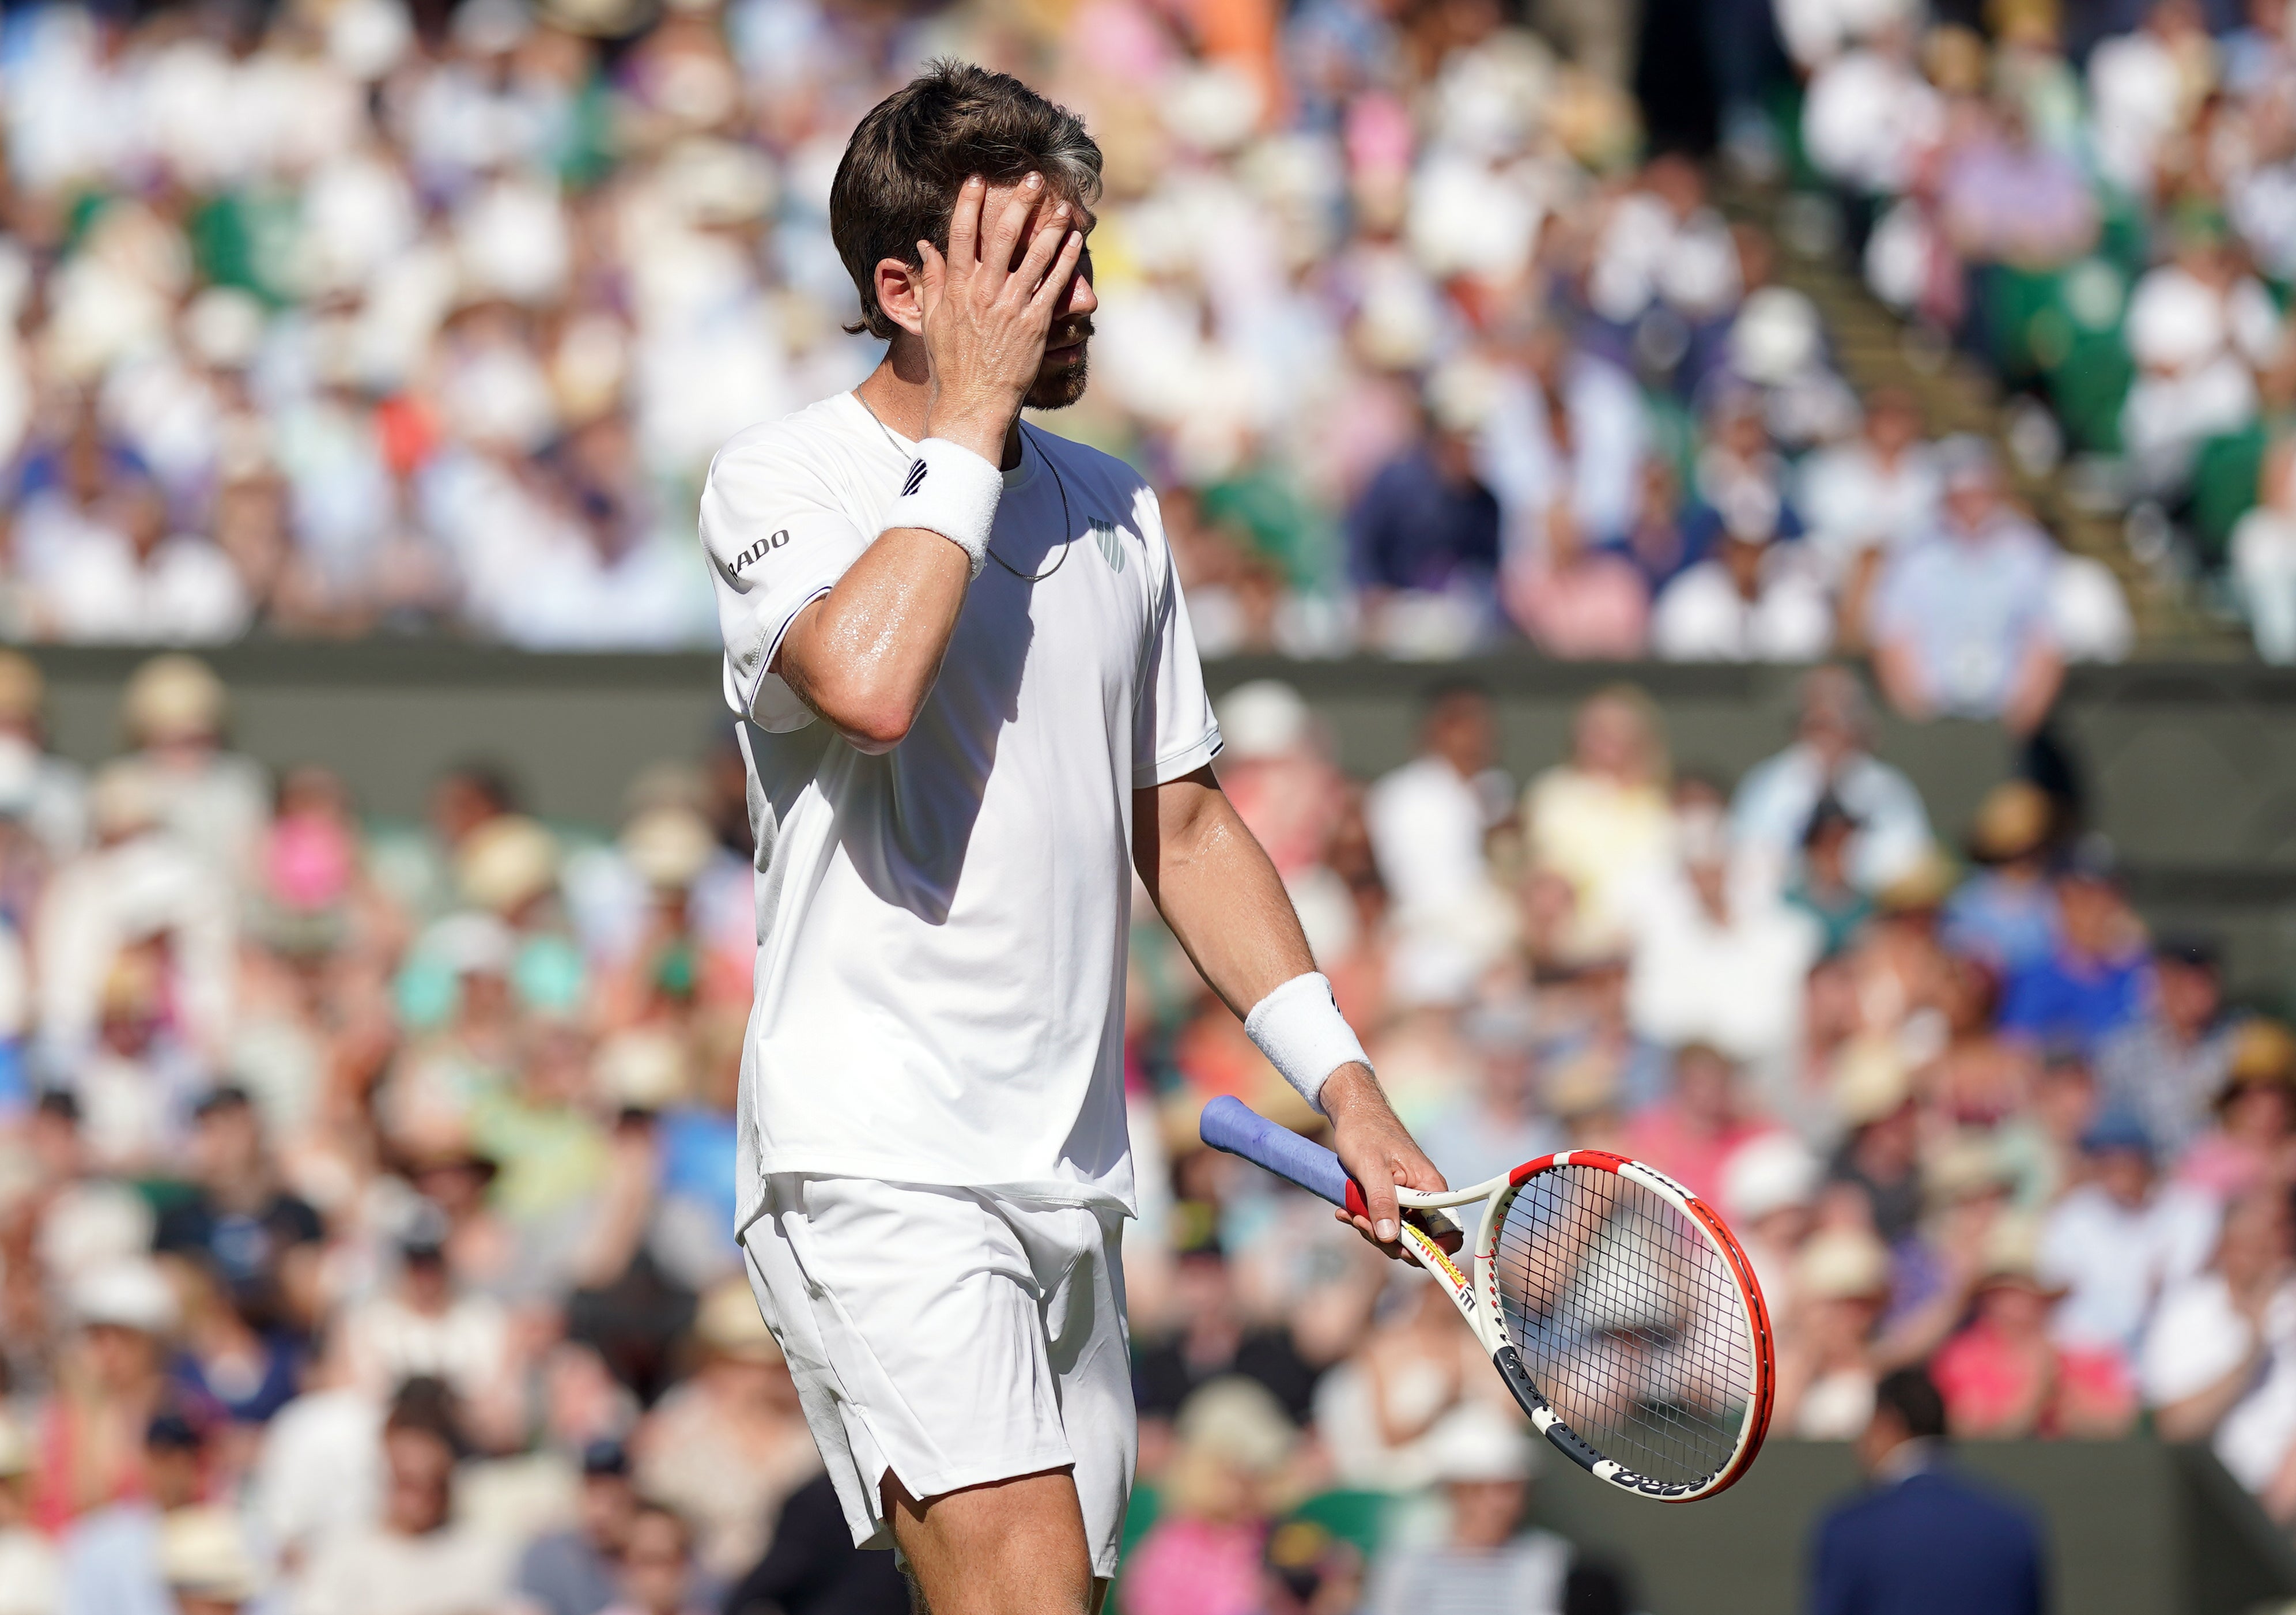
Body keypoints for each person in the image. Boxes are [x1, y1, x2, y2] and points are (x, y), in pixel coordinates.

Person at [696, 63, 1443, 1615]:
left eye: (1083, 251)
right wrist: (971, 409)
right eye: (1036, 264)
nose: (1085, 295)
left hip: (1074, 1174)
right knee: (1028, 1587)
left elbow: (1182, 822)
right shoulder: (777, 479)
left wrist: (1348, 1088)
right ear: (903, 289)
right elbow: (871, 685)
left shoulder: (1118, 509)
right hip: (873, 1156)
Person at [1808, 1367, 2046, 1615]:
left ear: (1887, 1423)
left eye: (1868, 1426)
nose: (1861, 1444)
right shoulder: (2013, 1526)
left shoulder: (1851, 1530)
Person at [1868, 437, 2063, 733]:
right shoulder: (1912, 553)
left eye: (1978, 493)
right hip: (1931, 722)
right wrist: (1918, 721)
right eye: (1960, 495)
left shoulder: (2029, 550)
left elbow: (2046, 641)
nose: (1970, 505)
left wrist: (2023, 721)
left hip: (2008, 722)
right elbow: (1892, 638)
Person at [1361, 1404, 1607, 1615]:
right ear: (1453, 1491)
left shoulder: (1553, 1560)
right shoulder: (1404, 1565)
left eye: (1510, 1488)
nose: (1498, 1502)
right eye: (1478, 1489)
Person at [1729, 666, 1934, 895]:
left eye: (1837, 724)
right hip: (1790, 906)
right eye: (1817, 725)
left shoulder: (1888, 787)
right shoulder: (1767, 782)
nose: (1826, 738)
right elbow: (1751, 857)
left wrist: (1846, 866)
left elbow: (1909, 858)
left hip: (1868, 906)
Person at [509, 1440, 640, 1615]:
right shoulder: (544, 1560)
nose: (601, 1513)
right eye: (593, 1497)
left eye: (614, 1501)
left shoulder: (655, 1555)